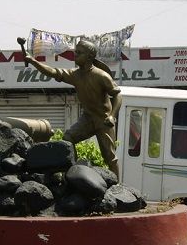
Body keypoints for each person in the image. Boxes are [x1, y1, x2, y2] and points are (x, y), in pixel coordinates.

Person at [24, 39, 122, 175]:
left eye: (79, 53)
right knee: (68, 138)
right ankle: (75, 171)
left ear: (89, 57)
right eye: (75, 52)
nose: (75, 55)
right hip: (87, 119)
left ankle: (117, 188)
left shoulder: (101, 75)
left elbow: (118, 95)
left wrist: (112, 116)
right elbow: (53, 72)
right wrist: (34, 62)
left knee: (110, 158)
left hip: (103, 120)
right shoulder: (75, 75)